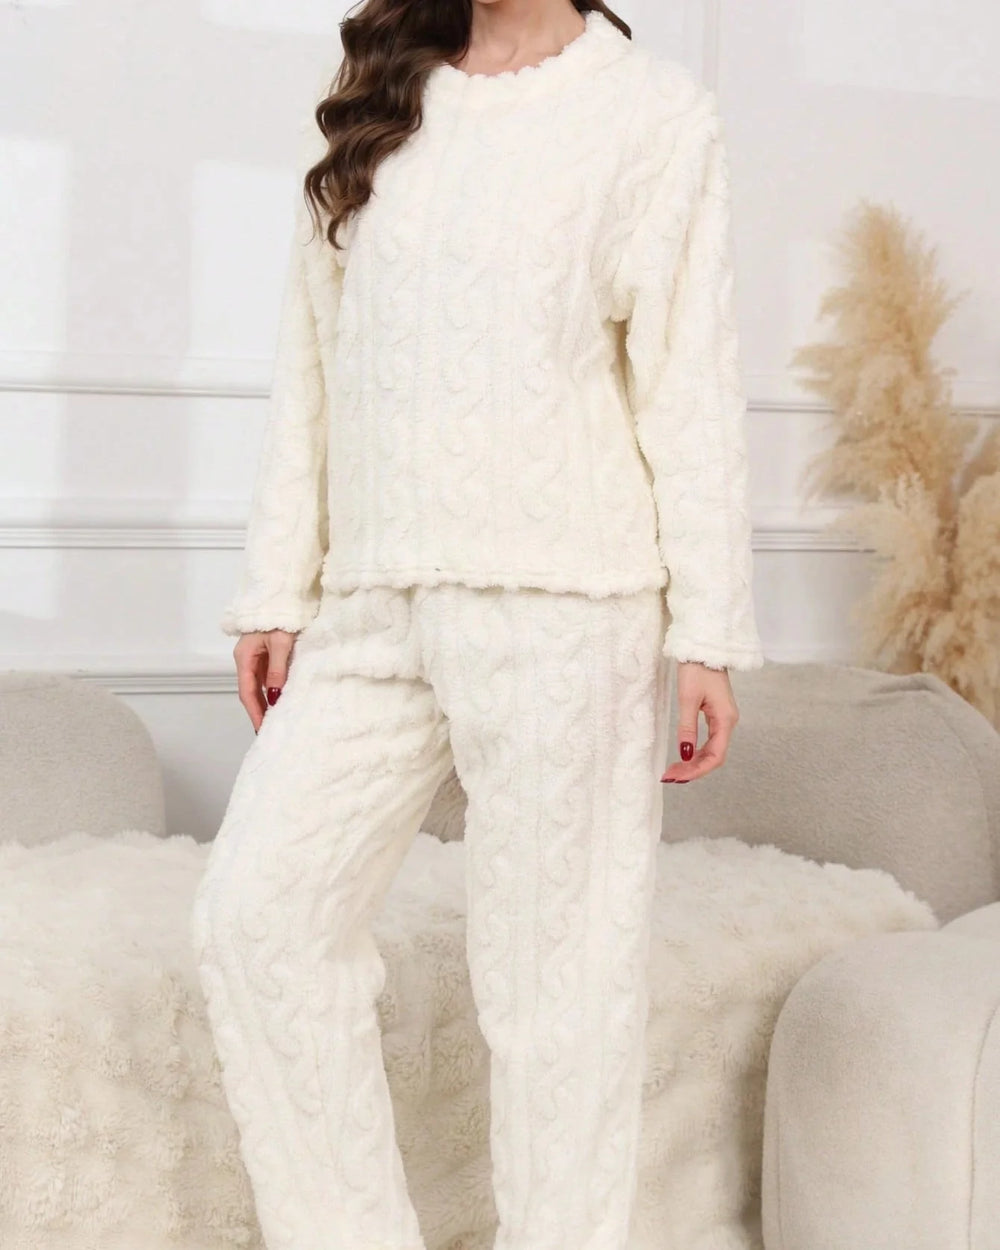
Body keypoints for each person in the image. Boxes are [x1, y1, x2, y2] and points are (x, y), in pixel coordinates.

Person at [190, 2, 765, 1249]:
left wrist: (708, 627)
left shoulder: (652, 115)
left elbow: (688, 381)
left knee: (560, 1000)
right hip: (372, 600)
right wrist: (278, 583)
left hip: (570, 605)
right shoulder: (381, 85)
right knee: (258, 918)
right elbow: (314, 354)